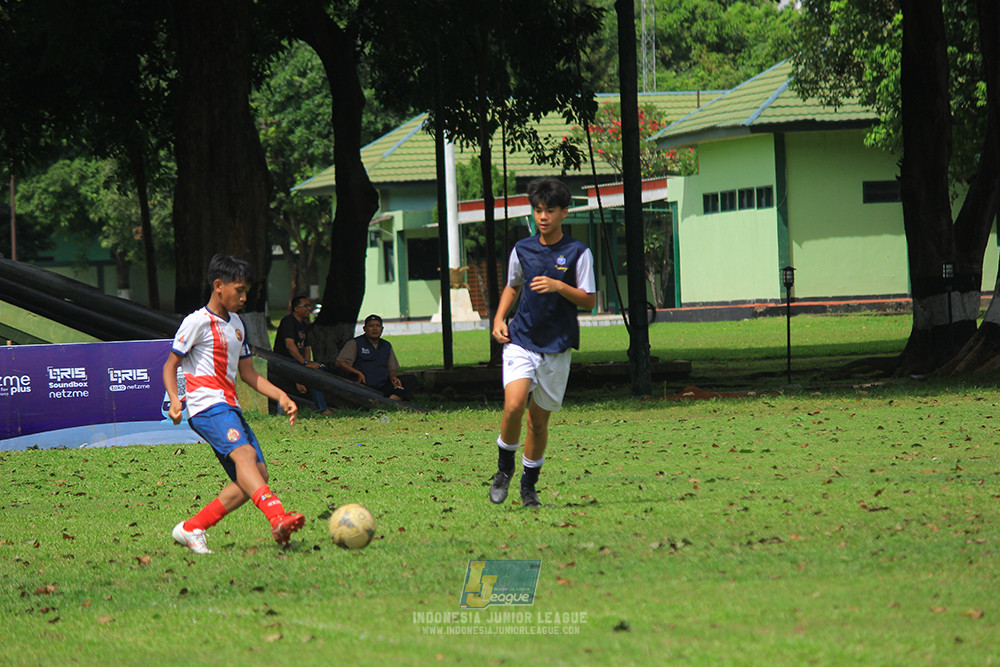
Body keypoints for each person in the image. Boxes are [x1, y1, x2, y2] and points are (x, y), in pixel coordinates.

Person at [163, 254, 305, 554]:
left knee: (257, 475)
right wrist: (176, 400)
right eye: (238, 290)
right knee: (244, 455)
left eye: (246, 292)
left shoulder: (238, 324)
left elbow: (249, 374)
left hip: (230, 408)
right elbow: (170, 365)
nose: (243, 297)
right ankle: (278, 517)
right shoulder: (197, 321)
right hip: (206, 407)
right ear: (218, 286)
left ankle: (191, 528)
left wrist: (281, 396)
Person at [488, 177, 596, 509]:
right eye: (538, 211)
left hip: (558, 347)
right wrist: (498, 318)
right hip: (522, 340)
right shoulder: (523, 249)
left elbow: (589, 300)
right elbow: (512, 285)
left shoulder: (578, 252)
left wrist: (558, 286)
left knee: (538, 421)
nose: (543, 217)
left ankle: (528, 486)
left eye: (550, 210)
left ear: (565, 212)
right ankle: (504, 467)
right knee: (514, 405)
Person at [273, 294, 333, 416]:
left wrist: (308, 363)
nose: (309, 309)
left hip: (298, 362)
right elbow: (290, 346)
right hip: (285, 361)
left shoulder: (303, 325)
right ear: (296, 308)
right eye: (305, 306)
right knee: (311, 374)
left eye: (309, 306)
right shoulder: (288, 321)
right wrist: (304, 365)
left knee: (321, 367)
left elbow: (306, 347)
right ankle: (322, 409)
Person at [335, 314, 415, 401]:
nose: (375, 329)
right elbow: (340, 362)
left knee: (410, 379)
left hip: (383, 384)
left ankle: (390, 401)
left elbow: (392, 368)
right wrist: (358, 373)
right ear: (364, 329)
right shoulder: (355, 343)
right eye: (371, 326)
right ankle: (389, 401)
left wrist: (393, 377)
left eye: (378, 326)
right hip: (364, 386)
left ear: (382, 329)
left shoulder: (386, 345)